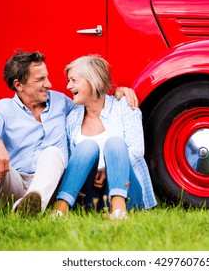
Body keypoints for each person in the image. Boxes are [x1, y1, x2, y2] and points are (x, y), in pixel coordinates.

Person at [0, 51, 138, 222]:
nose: (49, 84)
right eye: (40, 79)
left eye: (46, 77)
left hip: (48, 184)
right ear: (19, 85)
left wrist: (118, 91)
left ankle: (29, 206)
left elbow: (93, 102)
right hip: (14, 180)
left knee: (53, 152)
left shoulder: (61, 103)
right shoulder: (4, 108)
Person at [53, 55, 157, 220]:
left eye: (73, 80)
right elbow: (72, 162)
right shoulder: (72, 118)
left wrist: (108, 170)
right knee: (87, 147)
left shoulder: (123, 106)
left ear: (92, 81)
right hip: (90, 196)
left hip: (127, 190)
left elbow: (136, 151)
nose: (68, 85)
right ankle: (60, 210)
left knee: (115, 143)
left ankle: (118, 210)